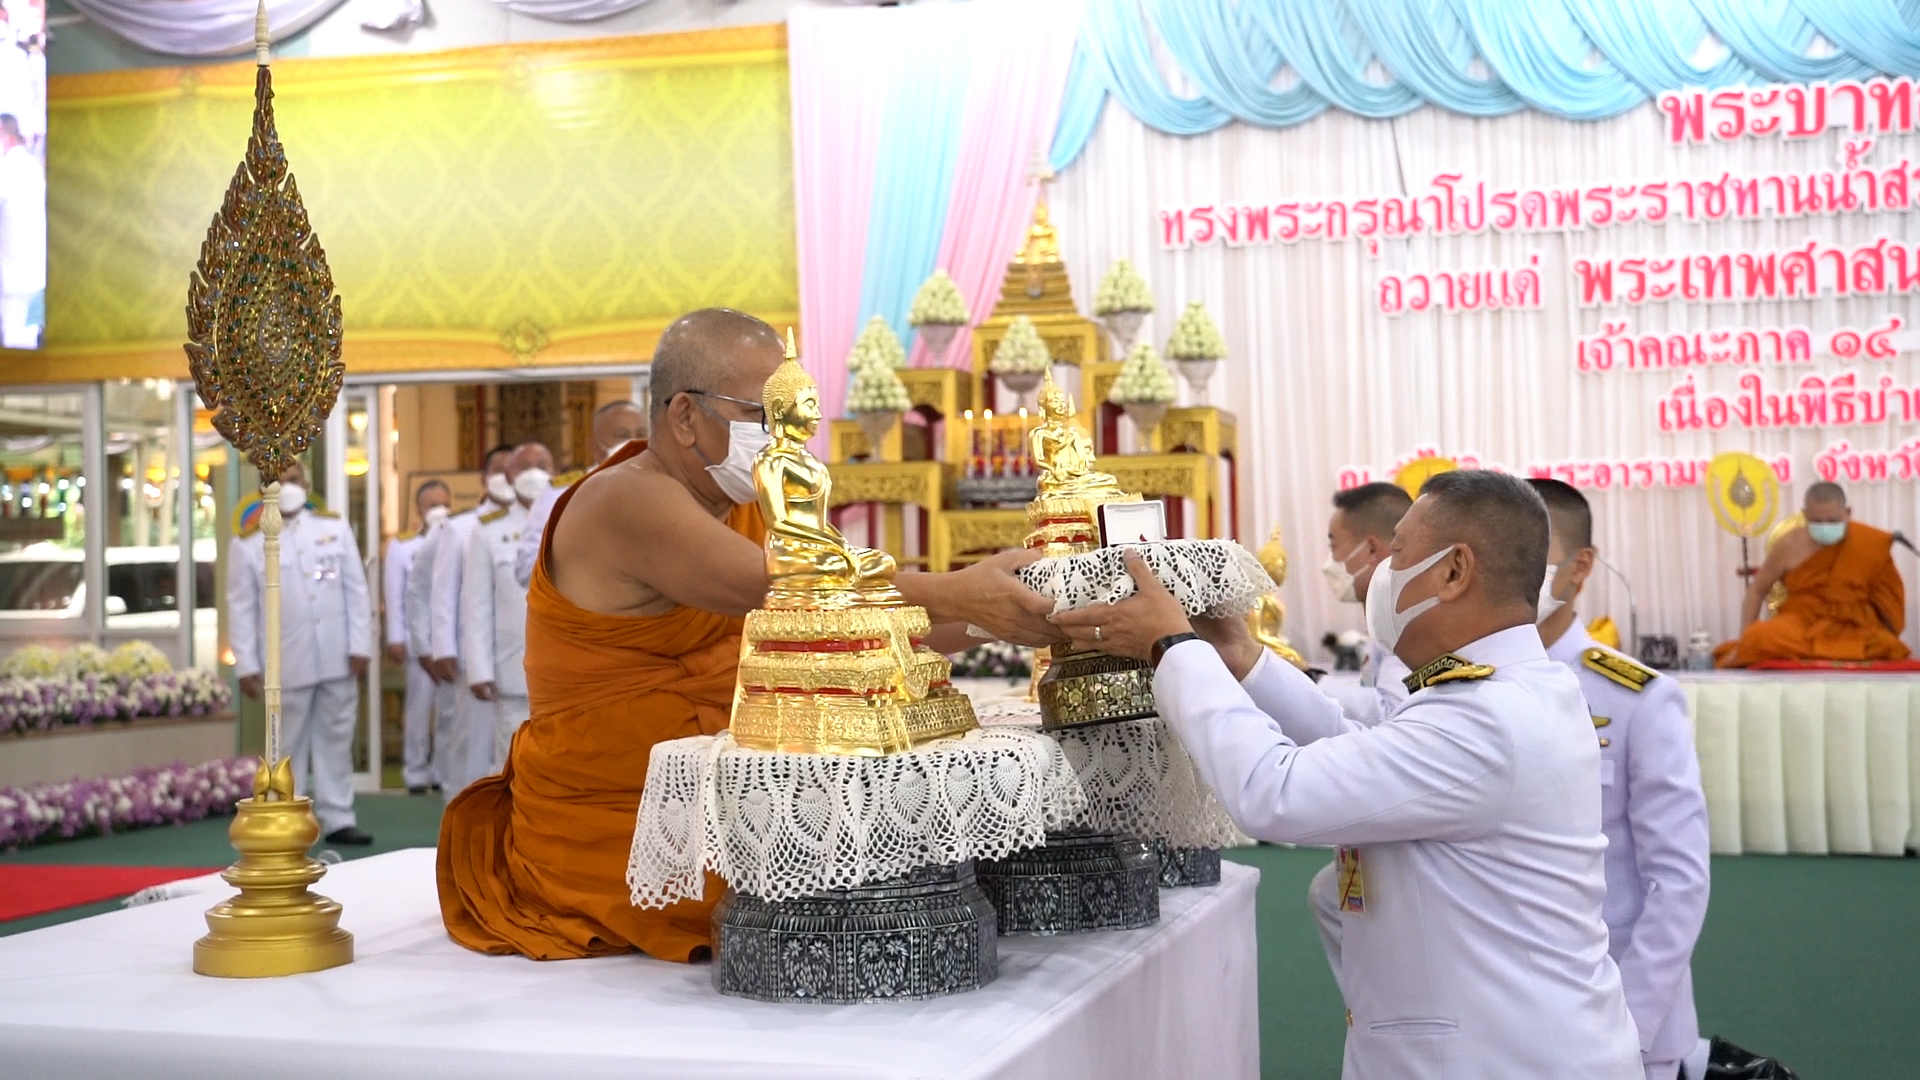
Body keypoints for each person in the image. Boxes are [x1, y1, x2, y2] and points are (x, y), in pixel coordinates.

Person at [437, 308, 1061, 964]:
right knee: (848, 894)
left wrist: (1008, 612)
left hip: (733, 786)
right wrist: (958, 590)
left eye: (790, 417)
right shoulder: (624, 498)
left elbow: (848, 620)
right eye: (760, 416)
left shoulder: (748, 507)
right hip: (625, 821)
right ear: (685, 416)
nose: (782, 436)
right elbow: (779, 589)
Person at [1055, 470, 1640, 1080]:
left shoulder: (1486, 717)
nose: (1384, 574)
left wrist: (1173, 648)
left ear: (1453, 571)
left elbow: (1273, 791)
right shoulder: (1514, 691)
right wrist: (1242, 658)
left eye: (1399, 553)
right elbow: (1362, 756)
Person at [1531, 479, 1713, 1080]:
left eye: (1533, 556)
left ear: (1581, 567)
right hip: (1504, 1011)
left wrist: (1626, 1024)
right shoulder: (1458, 685)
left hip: (1619, 1004)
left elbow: (1679, 879)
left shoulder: (1637, 697)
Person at [228, 462, 375, 846]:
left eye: (293, 479)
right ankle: (285, 819)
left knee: (336, 739)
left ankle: (339, 816)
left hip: (337, 654)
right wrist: (246, 664)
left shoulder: (334, 528)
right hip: (285, 663)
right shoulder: (248, 542)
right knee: (285, 744)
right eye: (277, 480)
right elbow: (241, 607)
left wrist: (361, 644)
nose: (286, 486)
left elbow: (356, 590)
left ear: (306, 484)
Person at [412, 444, 513, 799]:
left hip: (520, 656)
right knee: (470, 750)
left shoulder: (539, 521)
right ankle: (460, 821)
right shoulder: (461, 527)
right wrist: (441, 649)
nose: (506, 477)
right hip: (473, 657)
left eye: (512, 470)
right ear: (485, 478)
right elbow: (441, 592)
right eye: (498, 470)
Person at [1716, 482, 1908, 666]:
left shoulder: (1869, 543)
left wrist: (1885, 629)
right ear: (1805, 514)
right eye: (1816, 521)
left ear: (1848, 513)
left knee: (1888, 645)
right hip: (1801, 625)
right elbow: (1756, 591)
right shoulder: (1789, 544)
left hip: (1852, 627)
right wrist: (1744, 641)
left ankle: (1825, 651)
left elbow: (1889, 599)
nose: (1825, 526)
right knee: (1758, 638)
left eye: (1832, 521)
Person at [463, 440, 551, 773]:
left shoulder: (573, 517)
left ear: (555, 473)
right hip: (513, 669)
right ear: (510, 476)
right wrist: (479, 669)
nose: (534, 473)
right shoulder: (489, 530)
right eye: (524, 466)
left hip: (568, 669)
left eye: (542, 466)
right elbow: (477, 605)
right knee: (516, 763)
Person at [513, 400, 646, 588]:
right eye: (622, 436)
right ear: (595, 448)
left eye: (641, 434)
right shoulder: (560, 494)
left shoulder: (669, 488)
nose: (634, 443)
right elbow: (526, 569)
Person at [1322, 482, 1415, 723]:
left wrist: (1311, 681)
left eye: (1334, 547)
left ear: (1372, 550)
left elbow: (1393, 713)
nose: (1329, 564)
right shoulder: (1382, 615)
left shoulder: (1404, 619)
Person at [384, 479, 451, 794]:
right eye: (433, 504)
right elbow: (394, 594)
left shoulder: (459, 539)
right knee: (419, 708)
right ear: (419, 509)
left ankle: (442, 770)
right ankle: (415, 771)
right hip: (418, 641)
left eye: (445, 504)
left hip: (450, 642)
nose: (440, 510)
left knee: (449, 709)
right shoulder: (403, 546)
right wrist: (395, 637)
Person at [0, 112, 43, 349]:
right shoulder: (32, 164)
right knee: (27, 337)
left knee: (15, 341)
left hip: (14, 272)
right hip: (33, 269)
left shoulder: (7, 168)